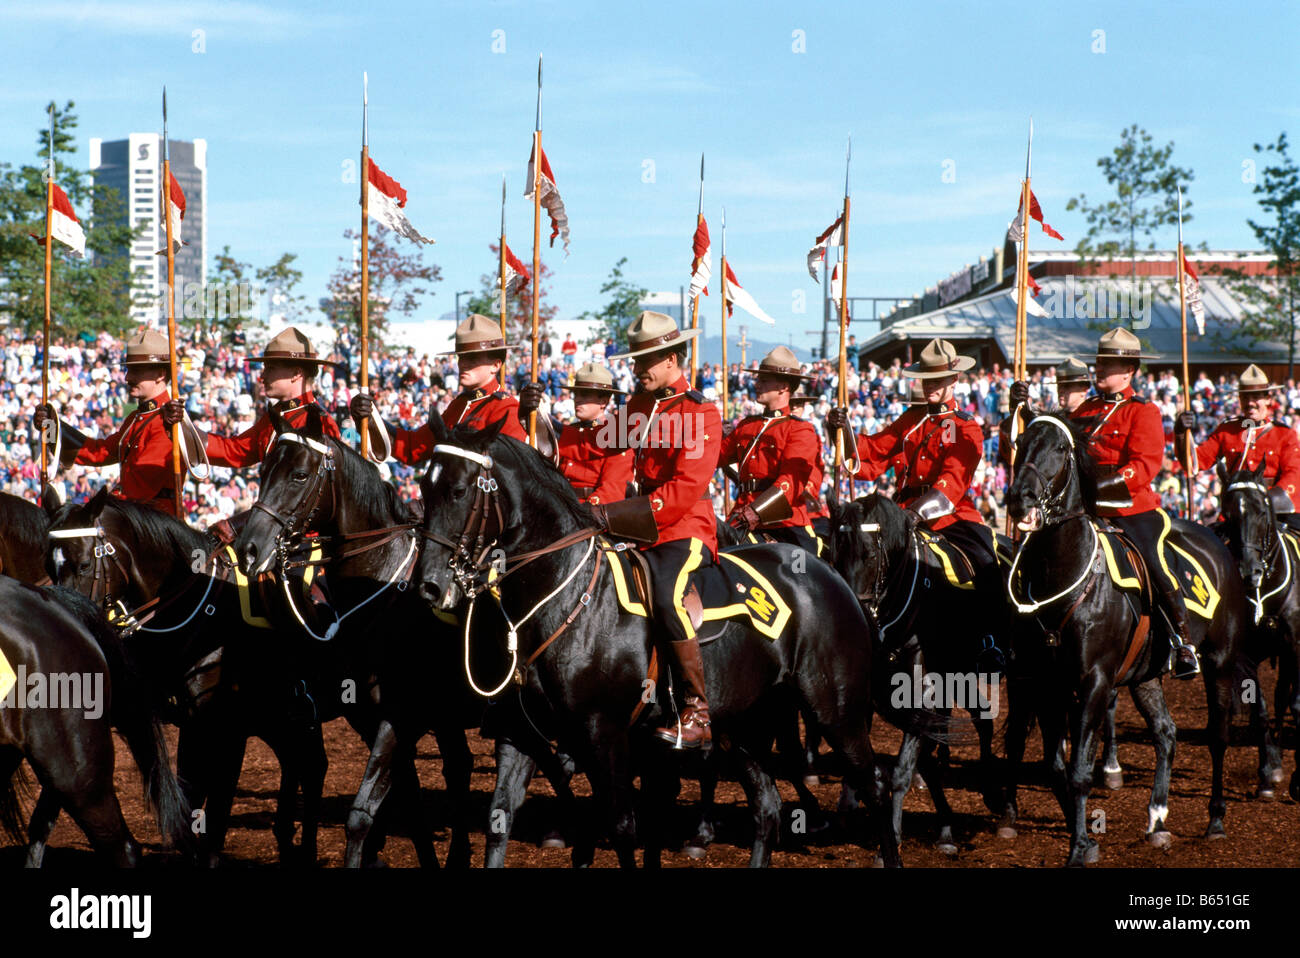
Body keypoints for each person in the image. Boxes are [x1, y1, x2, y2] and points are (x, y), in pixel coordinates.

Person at [827, 338, 1003, 671]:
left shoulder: (964, 426)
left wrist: (914, 515)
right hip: (902, 514)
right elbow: (873, 453)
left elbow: (952, 482)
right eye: (926, 380)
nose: (931, 387)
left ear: (954, 380)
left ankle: (988, 642)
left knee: (985, 561)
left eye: (937, 379)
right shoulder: (911, 419)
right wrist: (841, 429)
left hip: (951, 518)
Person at [593, 310, 721, 749]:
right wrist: (595, 510)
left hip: (683, 528)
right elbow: (609, 464)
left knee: (666, 593)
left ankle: (696, 709)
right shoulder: (637, 407)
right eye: (635, 359)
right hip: (637, 527)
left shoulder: (700, 411)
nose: (637, 367)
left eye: (646, 358)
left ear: (673, 358)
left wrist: (618, 517)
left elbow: (685, 489)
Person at [1069, 327, 1199, 679]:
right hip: (1086, 509)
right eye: (1098, 363)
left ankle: (1182, 639)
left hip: (1132, 508)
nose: (1098, 370)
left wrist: (1099, 487)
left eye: (1107, 365)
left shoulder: (1143, 411)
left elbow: (1144, 465)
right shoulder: (1084, 410)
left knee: (1155, 563)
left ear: (1129, 371)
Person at [34, 327, 207, 513]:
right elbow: (99, 452)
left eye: (136, 371)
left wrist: (97, 508)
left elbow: (141, 484)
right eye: (128, 370)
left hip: (155, 528)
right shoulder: (136, 417)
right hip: (134, 518)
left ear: (160, 374)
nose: (127, 378)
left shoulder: (168, 422)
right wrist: (51, 428)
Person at [349, 314, 529, 464]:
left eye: (472, 359)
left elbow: (505, 473)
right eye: (461, 358)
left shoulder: (507, 409)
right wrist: (371, 418)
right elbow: (413, 448)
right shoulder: (459, 405)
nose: (463, 365)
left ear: (496, 365)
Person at [719, 346, 822, 553]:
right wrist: (711, 433)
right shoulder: (746, 425)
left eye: (764, 381)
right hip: (741, 518)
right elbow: (715, 457)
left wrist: (756, 512)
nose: (756, 384)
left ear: (783, 387)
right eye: (759, 379)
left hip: (785, 523)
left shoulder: (800, 429)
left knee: (803, 573)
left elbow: (790, 482)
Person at [1177, 364, 1300, 532]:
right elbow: (1194, 463)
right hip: (1235, 514)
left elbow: (1293, 475)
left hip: (1274, 513)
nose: (1250, 403)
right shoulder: (1227, 430)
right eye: (1245, 397)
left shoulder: (1285, 434)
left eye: (1256, 397)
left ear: (1268, 398)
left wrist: (1264, 501)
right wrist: (1180, 434)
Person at [200, 326, 341, 468]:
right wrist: (184, 430)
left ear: (296, 374)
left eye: (270, 368)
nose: (262, 376)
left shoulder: (322, 423)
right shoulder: (275, 416)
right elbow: (234, 450)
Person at [550, 363, 632, 506]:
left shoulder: (616, 436)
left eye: (585, 394)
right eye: (576, 394)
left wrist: (584, 513)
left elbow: (612, 490)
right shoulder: (571, 431)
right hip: (560, 507)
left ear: (603, 402)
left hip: (592, 514)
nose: (577, 399)